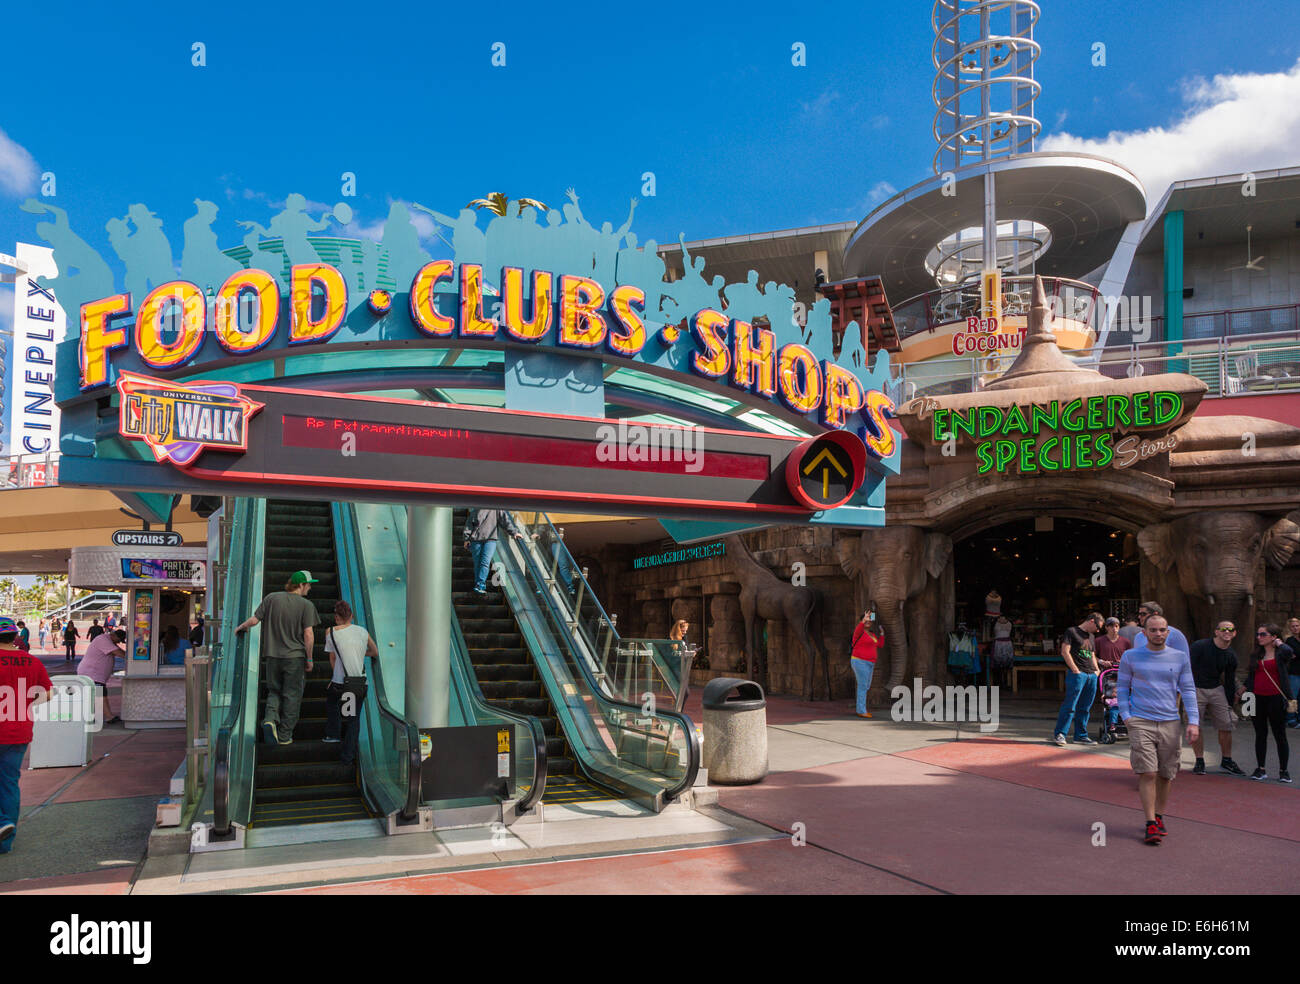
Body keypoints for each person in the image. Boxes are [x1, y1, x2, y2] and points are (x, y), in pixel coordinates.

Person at [1117, 615, 1199, 845]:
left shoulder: (1179, 657)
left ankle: (1160, 816)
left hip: (1170, 721)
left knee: (1166, 774)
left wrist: (1193, 722)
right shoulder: (1130, 656)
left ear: (1168, 632)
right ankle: (1150, 822)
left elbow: (1189, 690)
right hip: (1140, 720)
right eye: (1153, 630)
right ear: (1144, 633)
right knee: (1148, 772)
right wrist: (1127, 716)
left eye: (1162, 630)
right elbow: (1122, 687)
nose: (1158, 634)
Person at [235, 571, 321, 746]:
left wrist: (240, 627)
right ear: (301, 585)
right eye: (309, 584)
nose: (310, 587)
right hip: (294, 658)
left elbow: (254, 619)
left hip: (272, 656)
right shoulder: (306, 605)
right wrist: (310, 658)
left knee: (274, 691)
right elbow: (308, 634)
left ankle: (270, 719)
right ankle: (284, 735)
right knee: (292, 695)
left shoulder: (271, 598)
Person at [0, 615, 52, 853]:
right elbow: (49, 694)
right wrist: (25, 702)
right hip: (20, 730)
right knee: (9, 782)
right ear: (15, 636)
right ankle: (5, 840)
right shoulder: (31, 662)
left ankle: (2, 822)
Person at [1236, 623, 1294, 782]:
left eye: (1263, 634)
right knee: (1260, 734)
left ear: (1274, 637)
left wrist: (1280, 643)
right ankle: (1260, 768)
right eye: (1258, 634)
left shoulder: (1281, 653)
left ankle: (1284, 771)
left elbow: (1291, 653)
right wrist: (1244, 688)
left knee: (1279, 734)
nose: (1259, 637)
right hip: (1255, 698)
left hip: (1276, 697)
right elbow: (1252, 675)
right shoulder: (1256, 654)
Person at [323, 600, 378, 766]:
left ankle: (333, 734)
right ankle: (347, 757)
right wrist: (360, 654)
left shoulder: (331, 632)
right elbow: (374, 651)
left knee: (332, 700)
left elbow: (332, 657)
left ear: (337, 617)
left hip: (341, 684)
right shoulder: (362, 631)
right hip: (358, 684)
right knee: (353, 719)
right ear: (352, 616)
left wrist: (334, 678)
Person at [1187, 622, 1245, 776]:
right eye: (1223, 629)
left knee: (1227, 724)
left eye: (1230, 629)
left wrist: (1230, 702)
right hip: (1195, 688)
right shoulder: (1200, 646)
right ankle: (1199, 761)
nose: (1227, 631)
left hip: (1215, 688)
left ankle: (1227, 760)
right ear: (1216, 632)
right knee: (1196, 724)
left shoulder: (1231, 655)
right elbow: (1186, 667)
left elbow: (1230, 678)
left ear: (1234, 633)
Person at [1052, 612, 1103, 746]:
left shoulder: (1091, 636)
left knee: (1085, 707)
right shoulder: (1072, 631)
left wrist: (1096, 670)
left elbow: (1092, 654)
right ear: (1092, 621)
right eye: (1098, 627)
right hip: (1078, 674)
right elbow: (1065, 651)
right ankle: (1060, 734)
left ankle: (1080, 735)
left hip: (1090, 674)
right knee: (1070, 705)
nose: (1098, 630)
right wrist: (1075, 669)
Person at [462, 508, 524, 595]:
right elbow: (470, 523)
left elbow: (505, 521)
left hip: (491, 540)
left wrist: (514, 532)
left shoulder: (496, 507)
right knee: (478, 563)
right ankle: (478, 584)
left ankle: (481, 584)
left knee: (485, 562)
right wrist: (466, 538)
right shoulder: (477, 507)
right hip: (475, 540)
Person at [77, 629, 127, 724]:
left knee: (97, 694)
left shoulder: (108, 640)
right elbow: (119, 653)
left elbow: (119, 650)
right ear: (114, 636)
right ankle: (108, 717)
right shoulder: (103, 639)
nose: (119, 643)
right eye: (119, 640)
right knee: (100, 694)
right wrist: (133, 657)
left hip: (96, 674)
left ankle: (94, 716)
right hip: (91, 672)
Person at [851, 607, 884, 719]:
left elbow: (879, 645)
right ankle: (861, 710)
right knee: (863, 686)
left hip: (870, 663)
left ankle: (861, 708)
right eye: (866, 621)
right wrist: (863, 620)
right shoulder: (859, 632)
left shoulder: (872, 635)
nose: (868, 622)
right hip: (860, 661)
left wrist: (882, 634)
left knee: (866, 686)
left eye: (870, 621)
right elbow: (859, 627)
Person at [1284, 617, 1300, 728]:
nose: (1295, 628)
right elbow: (1296, 653)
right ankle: (1290, 719)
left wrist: (1296, 655)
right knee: (1292, 697)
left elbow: (1297, 654)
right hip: (1294, 673)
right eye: (1293, 626)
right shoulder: (1289, 640)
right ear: (1289, 628)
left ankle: (1298, 718)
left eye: (1297, 625)